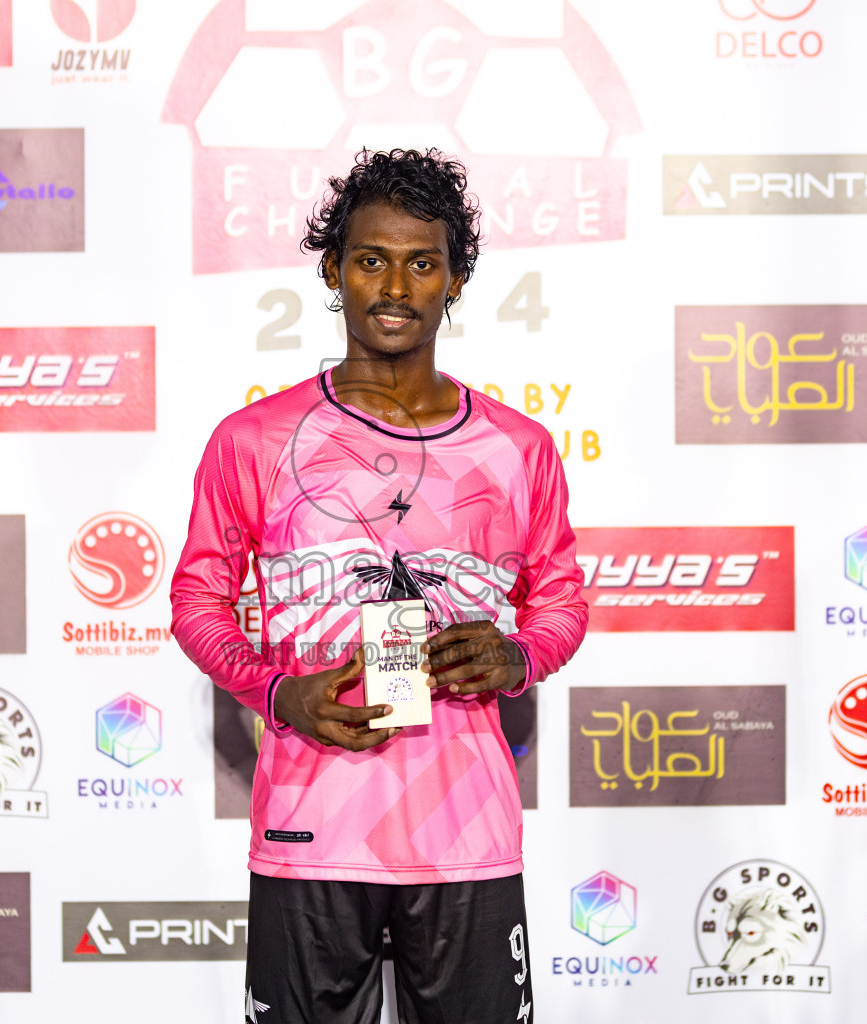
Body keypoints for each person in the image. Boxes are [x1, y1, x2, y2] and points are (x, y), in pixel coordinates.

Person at [170, 148, 587, 1024]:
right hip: (309, 837)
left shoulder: (519, 449)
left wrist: (515, 656)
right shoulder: (253, 440)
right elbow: (197, 603)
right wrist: (279, 694)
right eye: (371, 260)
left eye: (422, 262)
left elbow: (561, 604)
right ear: (332, 270)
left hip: (465, 840)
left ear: (455, 280)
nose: (395, 286)